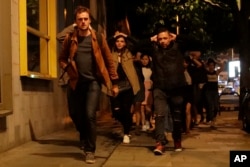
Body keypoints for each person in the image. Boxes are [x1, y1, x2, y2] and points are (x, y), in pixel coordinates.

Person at [57, 6, 119, 164]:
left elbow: (108, 60)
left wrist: (114, 82)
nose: (83, 22)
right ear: (76, 22)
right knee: (75, 114)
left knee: (90, 114)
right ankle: (84, 136)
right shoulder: (70, 38)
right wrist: (67, 68)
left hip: (93, 83)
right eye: (80, 19)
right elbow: (62, 59)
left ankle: (90, 150)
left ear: (89, 20)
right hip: (75, 82)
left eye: (85, 19)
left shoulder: (98, 38)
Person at [136, 27, 189, 155]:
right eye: (160, 39)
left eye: (165, 38)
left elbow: (196, 42)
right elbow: (135, 46)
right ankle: (159, 143)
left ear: (170, 38)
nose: (162, 41)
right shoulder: (154, 49)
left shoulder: (178, 47)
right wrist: (150, 39)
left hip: (176, 88)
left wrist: (177, 37)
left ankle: (177, 140)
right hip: (160, 88)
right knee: (159, 115)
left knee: (176, 117)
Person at [109, 32, 141, 144]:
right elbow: (102, 43)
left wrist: (126, 35)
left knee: (126, 109)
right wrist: (114, 36)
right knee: (116, 111)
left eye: (122, 41)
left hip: (128, 85)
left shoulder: (129, 53)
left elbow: (138, 43)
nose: (119, 43)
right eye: (117, 41)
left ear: (125, 43)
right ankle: (127, 123)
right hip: (114, 86)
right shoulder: (110, 53)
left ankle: (126, 133)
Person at [204, 58, 224, 127]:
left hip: (215, 91)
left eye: (212, 65)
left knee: (216, 106)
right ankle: (212, 120)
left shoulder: (216, 72)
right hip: (208, 91)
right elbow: (203, 66)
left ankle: (214, 118)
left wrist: (216, 61)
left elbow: (222, 66)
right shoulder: (206, 72)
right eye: (210, 65)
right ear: (208, 66)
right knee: (210, 105)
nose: (211, 66)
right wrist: (207, 62)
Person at [140, 53, 153, 131]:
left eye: (146, 59)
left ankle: (148, 121)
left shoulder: (151, 69)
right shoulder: (139, 69)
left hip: (149, 88)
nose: (144, 61)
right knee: (142, 107)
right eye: (143, 59)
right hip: (142, 87)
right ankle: (143, 124)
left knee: (148, 108)